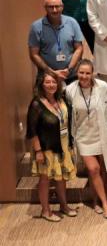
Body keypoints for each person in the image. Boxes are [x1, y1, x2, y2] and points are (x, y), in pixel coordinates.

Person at [65, 60, 107, 217]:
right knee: (93, 169)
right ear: (77, 73)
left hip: (103, 133)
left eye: (88, 73)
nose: (84, 76)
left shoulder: (102, 87)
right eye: (81, 73)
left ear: (93, 73)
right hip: (83, 136)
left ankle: (97, 201)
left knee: (103, 169)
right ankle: (106, 204)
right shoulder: (69, 90)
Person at [27, 72, 78, 222]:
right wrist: (38, 151)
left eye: (54, 82)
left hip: (62, 145)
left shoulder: (61, 99)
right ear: (41, 84)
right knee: (45, 180)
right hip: (46, 148)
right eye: (48, 82)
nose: (51, 85)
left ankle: (64, 206)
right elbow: (32, 131)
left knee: (61, 178)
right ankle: (46, 210)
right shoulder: (36, 104)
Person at [29, 0, 84, 82]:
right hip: (47, 78)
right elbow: (34, 54)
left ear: (62, 7)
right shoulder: (36, 26)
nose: (54, 10)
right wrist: (51, 72)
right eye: (51, 7)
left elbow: (79, 48)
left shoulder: (72, 22)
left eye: (57, 6)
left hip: (71, 75)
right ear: (45, 8)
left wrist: (68, 70)